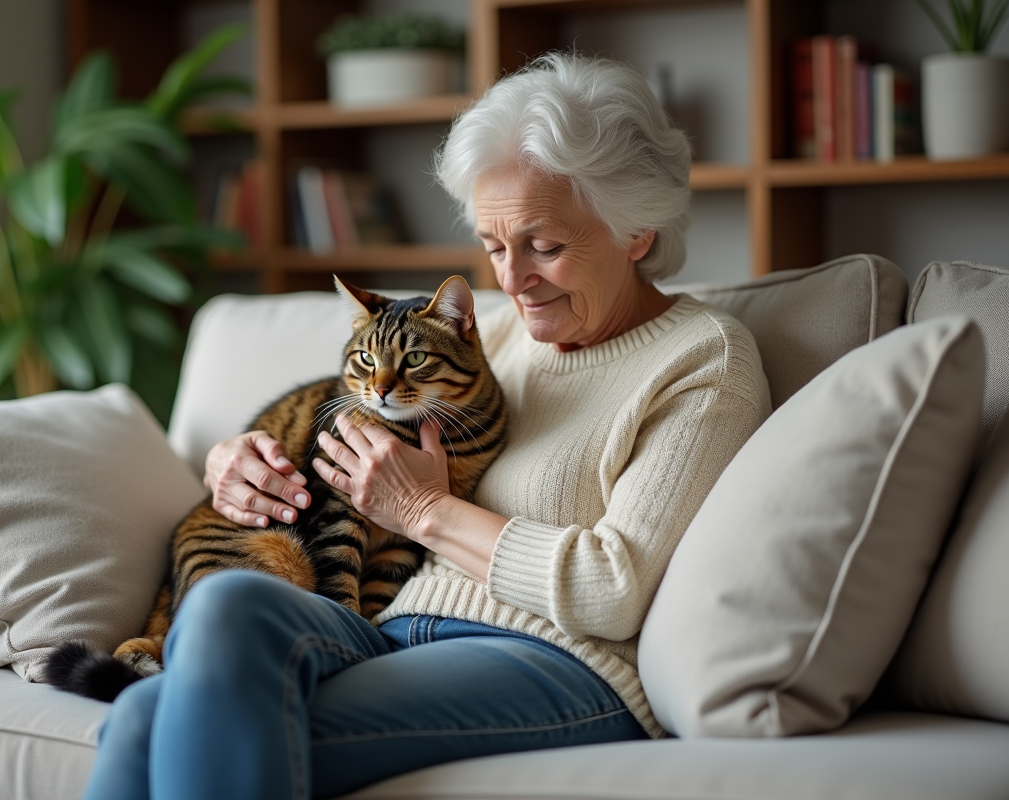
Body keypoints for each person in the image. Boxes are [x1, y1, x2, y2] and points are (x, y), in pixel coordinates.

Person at [82, 53, 771, 800]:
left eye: (545, 246)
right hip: (391, 625)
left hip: (554, 661)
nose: (511, 281)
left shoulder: (704, 361)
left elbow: (613, 588)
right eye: (495, 246)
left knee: (154, 722)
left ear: (637, 230)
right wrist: (232, 462)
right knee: (197, 635)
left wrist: (426, 512)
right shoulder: (498, 335)